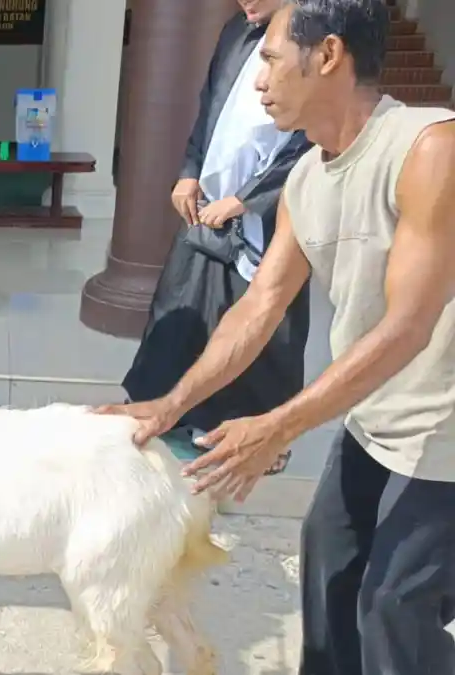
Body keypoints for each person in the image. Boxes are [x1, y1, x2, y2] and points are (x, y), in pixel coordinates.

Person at [97, 1, 455, 673]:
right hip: (376, 421)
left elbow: (409, 325)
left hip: (446, 435)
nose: (256, 78)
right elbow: (259, 304)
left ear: (327, 56)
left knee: (395, 606)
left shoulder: (429, 148)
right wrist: (169, 405)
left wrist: (278, 425)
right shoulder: (307, 176)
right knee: (328, 574)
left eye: (269, 58)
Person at [121, 0, 312, 475]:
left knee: (258, 329)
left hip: (267, 220)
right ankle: (164, 413)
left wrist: (249, 198)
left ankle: (257, 436)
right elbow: (210, 107)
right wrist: (190, 173)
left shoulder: (312, 36)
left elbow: (311, 140)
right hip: (211, 207)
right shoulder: (235, 32)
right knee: (182, 307)